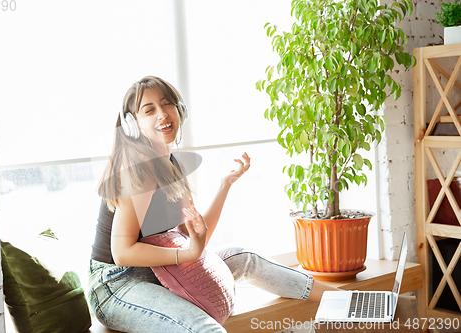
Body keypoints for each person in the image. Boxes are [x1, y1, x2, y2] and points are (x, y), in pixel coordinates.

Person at [88, 75, 339, 333]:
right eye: (149, 110)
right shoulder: (136, 171)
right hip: (117, 285)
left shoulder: (173, 165)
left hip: (161, 271)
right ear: (133, 125)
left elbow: (195, 237)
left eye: (167, 105)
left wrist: (224, 185)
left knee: (245, 259)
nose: (162, 114)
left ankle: (345, 299)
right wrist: (187, 253)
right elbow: (122, 252)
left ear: (180, 110)